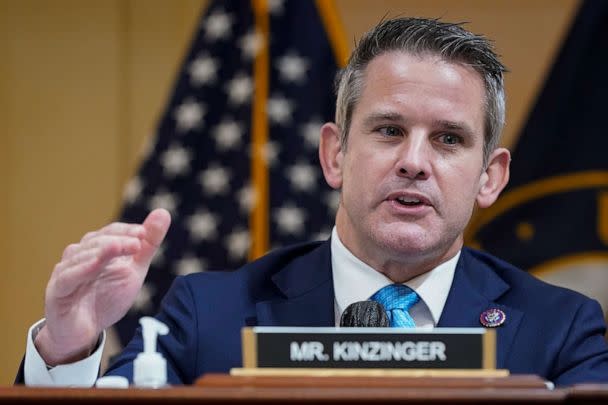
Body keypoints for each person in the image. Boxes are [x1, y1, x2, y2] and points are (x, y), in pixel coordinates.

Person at [17, 17, 608, 387]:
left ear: (490, 177)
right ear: (334, 154)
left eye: (449, 139)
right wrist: (68, 343)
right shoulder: (208, 315)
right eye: (388, 130)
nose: (414, 161)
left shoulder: (561, 331)